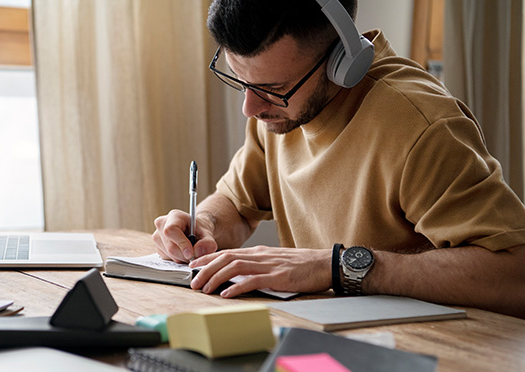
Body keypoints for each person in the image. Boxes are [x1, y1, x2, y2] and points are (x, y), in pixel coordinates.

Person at [152, 0, 525, 319]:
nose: (250, 108)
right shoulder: (278, 114)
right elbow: (237, 204)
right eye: (240, 80)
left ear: (342, 61)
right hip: (319, 337)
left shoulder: (421, 127)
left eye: (273, 89)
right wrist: (206, 227)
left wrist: (337, 266)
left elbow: (514, 274)